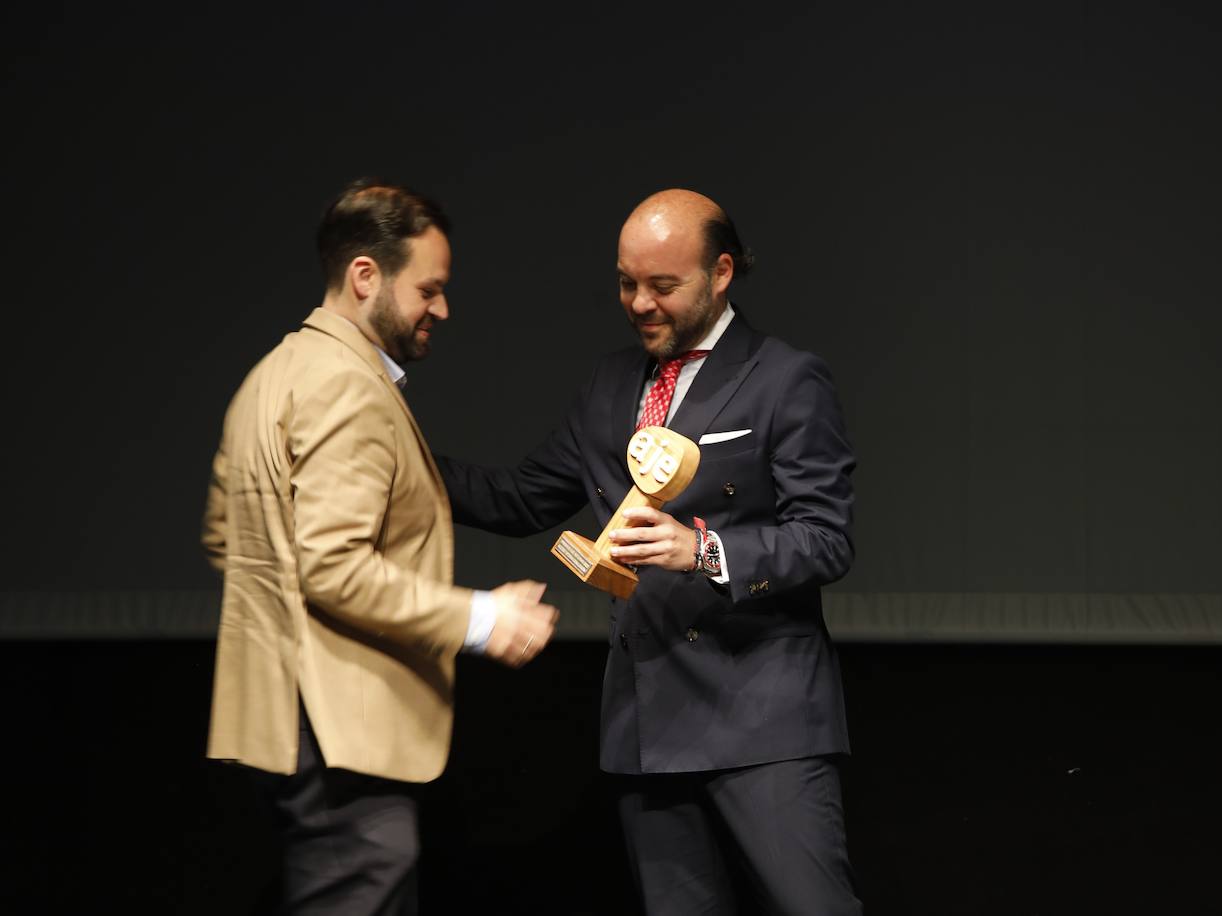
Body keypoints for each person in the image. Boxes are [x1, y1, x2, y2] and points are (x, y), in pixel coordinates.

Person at [439, 188, 862, 914]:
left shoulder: (785, 379)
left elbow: (826, 540)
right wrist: (393, 454)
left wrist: (702, 549)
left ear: (721, 273)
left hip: (763, 715)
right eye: (627, 283)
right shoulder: (609, 384)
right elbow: (519, 499)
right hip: (648, 720)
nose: (639, 302)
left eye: (663, 285)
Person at [201, 179, 559, 915]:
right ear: (366, 275)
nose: (442, 307)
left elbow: (226, 538)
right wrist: (485, 619)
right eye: (429, 288)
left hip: (287, 720)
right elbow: (332, 566)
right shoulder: (346, 387)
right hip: (336, 726)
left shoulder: (272, 374)